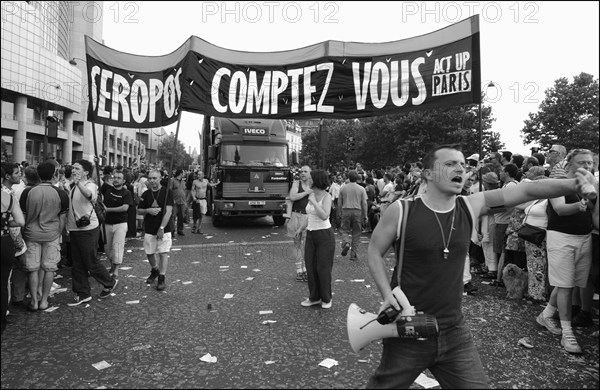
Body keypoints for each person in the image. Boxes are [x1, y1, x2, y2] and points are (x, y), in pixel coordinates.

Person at [366, 144, 596, 388]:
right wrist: (386, 295)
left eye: (463, 165)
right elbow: (374, 250)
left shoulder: (470, 205)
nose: (460, 169)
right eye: (450, 164)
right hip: (409, 328)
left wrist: (573, 185)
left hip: (454, 331)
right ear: (428, 174)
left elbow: (528, 190)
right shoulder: (402, 210)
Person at [535, 149, 594, 354]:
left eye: (590, 163)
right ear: (569, 164)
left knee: (570, 282)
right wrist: (581, 204)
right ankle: (567, 333)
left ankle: (547, 314)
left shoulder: (588, 184)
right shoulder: (558, 184)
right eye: (582, 163)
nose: (587, 166)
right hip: (561, 238)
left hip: (584, 238)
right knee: (565, 286)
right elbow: (559, 209)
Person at [66, 160, 119, 306]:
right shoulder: (73, 186)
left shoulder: (90, 185)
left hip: (88, 229)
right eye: (73, 168)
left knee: (90, 260)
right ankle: (83, 293)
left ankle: (109, 282)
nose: (74, 170)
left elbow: (90, 195)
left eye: (77, 168)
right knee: (77, 263)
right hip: (75, 228)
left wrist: (78, 184)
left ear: (86, 172)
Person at [19, 162, 69, 311]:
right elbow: (62, 219)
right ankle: (44, 300)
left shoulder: (28, 192)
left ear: (38, 174)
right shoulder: (61, 193)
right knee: (49, 268)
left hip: (31, 233)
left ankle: (34, 301)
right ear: (54, 174)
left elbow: (23, 217)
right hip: (52, 234)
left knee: (33, 268)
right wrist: (57, 234)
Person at [299, 170, 335, 309]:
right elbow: (309, 216)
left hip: (325, 235)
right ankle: (314, 297)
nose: (307, 180)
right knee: (311, 267)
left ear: (316, 180)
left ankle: (326, 298)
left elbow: (324, 215)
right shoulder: (310, 194)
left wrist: (314, 202)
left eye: (310, 178)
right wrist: (300, 228)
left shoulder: (327, 196)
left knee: (323, 269)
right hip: (311, 234)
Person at [138, 169, 173, 291]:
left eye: (154, 178)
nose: (152, 180)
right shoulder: (146, 194)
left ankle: (162, 277)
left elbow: (168, 212)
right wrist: (148, 210)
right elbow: (139, 210)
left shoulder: (167, 192)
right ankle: (155, 269)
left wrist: (162, 228)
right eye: (150, 178)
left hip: (164, 228)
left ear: (160, 178)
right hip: (149, 228)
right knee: (149, 253)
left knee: (163, 253)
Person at [1, 166, 25, 334]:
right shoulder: (7, 197)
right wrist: (7, 223)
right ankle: (2, 319)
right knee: (2, 284)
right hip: (4, 241)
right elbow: (20, 221)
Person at [103, 171, 134, 277]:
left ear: (124, 181)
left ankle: (115, 270)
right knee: (107, 248)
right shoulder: (107, 190)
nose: (116, 179)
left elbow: (125, 208)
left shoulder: (126, 193)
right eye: (114, 177)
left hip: (120, 223)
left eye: (119, 178)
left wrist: (108, 210)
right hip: (107, 223)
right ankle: (112, 264)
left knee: (117, 247)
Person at [286, 165, 312, 282]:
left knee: (307, 246)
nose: (302, 173)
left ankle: (306, 269)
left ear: (310, 173)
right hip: (296, 216)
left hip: (309, 218)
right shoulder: (297, 183)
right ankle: (299, 271)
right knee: (297, 244)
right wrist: (306, 192)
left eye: (305, 171)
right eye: (301, 171)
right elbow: (292, 197)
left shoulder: (313, 184)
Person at [338, 170, 368, 261]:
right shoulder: (361, 189)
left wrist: (339, 212)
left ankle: (346, 242)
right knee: (357, 233)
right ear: (357, 178)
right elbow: (364, 203)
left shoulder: (343, 188)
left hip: (346, 210)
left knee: (344, 229)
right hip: (357, 211)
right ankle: (353, 254)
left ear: (348, 177)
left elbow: (339, 202)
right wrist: (365, 215)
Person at [169, 169, 187, 236]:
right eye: (183, 173)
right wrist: (171, 199)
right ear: (180, 174)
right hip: (175, 201)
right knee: (173, 216)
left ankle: (180, 230)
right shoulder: (172, 180)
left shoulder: (183, 181)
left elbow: (184, 190)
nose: (183, 174)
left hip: (182, 201)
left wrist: (185, 201)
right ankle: (172, 231)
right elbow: (170, 191)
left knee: (181, 216)